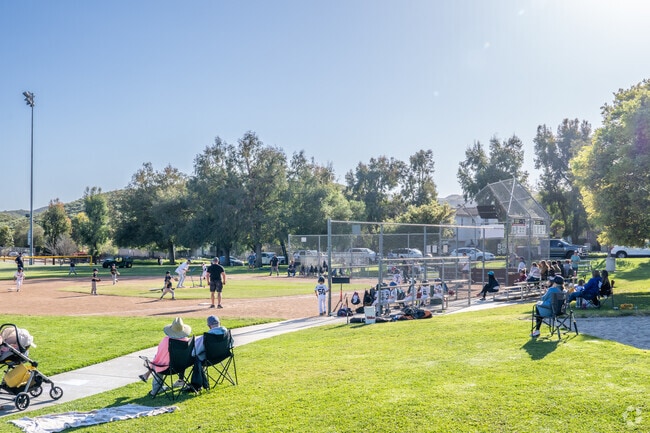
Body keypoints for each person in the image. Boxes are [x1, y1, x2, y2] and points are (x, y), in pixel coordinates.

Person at [139, 317, 192, 395]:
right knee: (160, 361)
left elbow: (159, 356)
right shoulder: (187, 341)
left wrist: (151, 365)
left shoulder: (166, 340)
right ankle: (181, 380)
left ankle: (156, 389)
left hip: (167, 369)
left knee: (157, 361)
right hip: (182, 366)